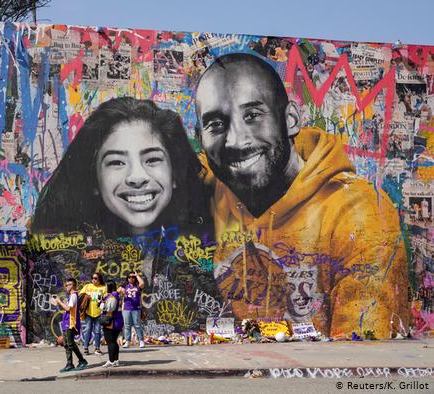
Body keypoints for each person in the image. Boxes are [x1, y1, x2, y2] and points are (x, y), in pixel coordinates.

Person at [194, 53, 408, 338]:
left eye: (253, 115)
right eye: (216, 125)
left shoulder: (359, 213)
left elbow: (363, 358)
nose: (235, 141)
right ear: (201, 136)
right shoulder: (214, 183)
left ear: (290, 119)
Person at [31, 97, 213, 237]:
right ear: (94, 180)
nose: (137, 177)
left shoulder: (211, 249)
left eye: (152, 159)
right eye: (116, 162)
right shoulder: (62, 255)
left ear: (175, 174)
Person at [52, 278, 88, 372]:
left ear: (72, 285)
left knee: (70, 343)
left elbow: (68, 308)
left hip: (71, 323)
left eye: (68, 285)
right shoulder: (70, 296)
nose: (66, 287)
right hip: (66, 321)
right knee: (67, 344)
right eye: (66, 285)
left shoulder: (74, 296)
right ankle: (69, 363)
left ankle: (82, 360)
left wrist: (59, 301)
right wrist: (59, 303)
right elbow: (67, 308)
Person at [79, 273, 107, 355]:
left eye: (96, 278)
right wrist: (85, 296)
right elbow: (80, 295)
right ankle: (86, 348)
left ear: (99, 279)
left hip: (99, 313)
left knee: (97, 331)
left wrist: (103, 299)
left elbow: (106, 297)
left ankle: (97, 348)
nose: (93, 280)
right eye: (92, 278)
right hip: (88, 312)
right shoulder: (88, 286)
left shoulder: (104, 287)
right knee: (88, 330)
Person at [100, 282, 124, 367]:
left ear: (109, 287)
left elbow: (109, 309)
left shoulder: (112, 297)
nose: (105, 287)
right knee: (114, 341)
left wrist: (101, 303)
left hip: (112, 322)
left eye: (106, 286)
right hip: (117, 321)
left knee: (110, 342)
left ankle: (111, 360)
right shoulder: (114, 296)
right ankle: (116, 360)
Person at [122, 270, 145, 348]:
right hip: (127, 308)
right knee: (127, 326)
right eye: (130, 277)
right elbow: (119, 290)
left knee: (137, 325)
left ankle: (141, 340)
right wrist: (123, 291)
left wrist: (137, 275)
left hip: (136, 309)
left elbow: (142, 283)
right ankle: (127, 341)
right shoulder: (125, 286)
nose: (131, 278)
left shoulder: (138, 286)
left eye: (133, 277)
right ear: (127, 278)